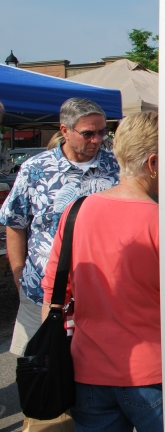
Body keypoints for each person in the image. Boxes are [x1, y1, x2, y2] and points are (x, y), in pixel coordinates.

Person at [42, 111, 165, 432]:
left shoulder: (77, 212)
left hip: (88, 370)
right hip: (153, 374)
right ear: (154, 163)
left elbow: (54, 296)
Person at [1, 98, 120, 368]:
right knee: (43, 373)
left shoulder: (118, 167)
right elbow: (15, 221)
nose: (97, 140)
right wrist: (19, 272)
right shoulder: (35, 169)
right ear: (64, 130)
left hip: (103, 292)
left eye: (103, 132)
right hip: (42, 290)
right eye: (88, 133)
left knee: (94, 373)